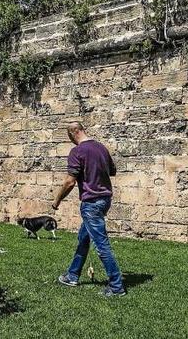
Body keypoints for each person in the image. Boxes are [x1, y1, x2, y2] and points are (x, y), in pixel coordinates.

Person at [51, 122, 126, 297]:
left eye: (70, 137)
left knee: (101, 245)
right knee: (84, 239)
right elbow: (112, 171)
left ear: (73, 132)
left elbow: (70, 181)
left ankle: (116, 286)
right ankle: (72, 275)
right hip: (105, 199)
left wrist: (57, 200)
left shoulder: (77, 151)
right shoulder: (101, 148)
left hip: (91, 203)